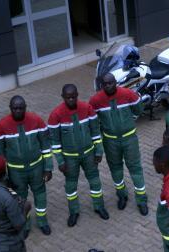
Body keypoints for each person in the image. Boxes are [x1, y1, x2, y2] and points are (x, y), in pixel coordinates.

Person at [48, 84, 109, 226]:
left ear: (77, 95)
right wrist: (60, 161)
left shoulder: (87, 109)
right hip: (69, 158)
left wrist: (99, 151)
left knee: (95, 181)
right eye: (68, 97)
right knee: (70, 185)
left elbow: (95, 132)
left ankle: (99, 206)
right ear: (63, 97)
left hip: (89, 154)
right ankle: (74, 212)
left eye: (73, 97)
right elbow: (55, 142)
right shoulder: (55, 115)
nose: (71, 100)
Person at [89, 73, 148, 216]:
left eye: (111, 83)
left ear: (116, 82)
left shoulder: (128, 94)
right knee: (115, 169)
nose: (108, 86)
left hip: (129, 139)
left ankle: (142, 200)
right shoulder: (96, 100)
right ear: (102, 86)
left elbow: (139, 110)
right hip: (110, 141)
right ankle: (122, 195)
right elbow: (93, 121)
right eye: (105, 84)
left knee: (135, 168)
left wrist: (130, 121)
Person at [0, 96, 53, 236]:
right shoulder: (1, 126)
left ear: (25, 107)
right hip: (16, 171)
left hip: (36, 167)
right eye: (15, 108)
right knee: (20, 199)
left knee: (41, 194)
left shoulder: (36, 120)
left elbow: (45, 146)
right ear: (10, 108)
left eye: (21, 108)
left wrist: (48, 168)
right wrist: (4, 176)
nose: (18, 111)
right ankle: (25, 226)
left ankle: (42, 222)